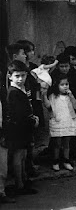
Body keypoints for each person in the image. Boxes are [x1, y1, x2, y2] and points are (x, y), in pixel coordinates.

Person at [6, 60, 39, 195]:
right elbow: (18, 115)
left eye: (23, 76)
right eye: (17, 76)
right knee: (18, 156)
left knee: (24, 155)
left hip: (24, 128)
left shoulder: (20, 89)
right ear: (10, 76)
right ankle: (19, 184)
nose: (20, 79)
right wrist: (32, 120)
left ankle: (24, 180)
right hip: (18, 129)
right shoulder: (13, 92)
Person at [41, 73, 76, 171]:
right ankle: (55, 161)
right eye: (62, 85)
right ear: (57, 86)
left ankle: (66, 161)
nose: (65, 87)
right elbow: (48, 106)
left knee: (67, 142)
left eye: (66, 84)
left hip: (68, 120)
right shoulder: (53, 96)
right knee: (57, 143)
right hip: (58, 121)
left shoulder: (70, 96)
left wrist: (71, 96)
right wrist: (44, 96)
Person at [0, 71, 16, 204]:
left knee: (3, 169)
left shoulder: (3, 95)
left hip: (1, 134)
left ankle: (1, 192)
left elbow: (6, 115)